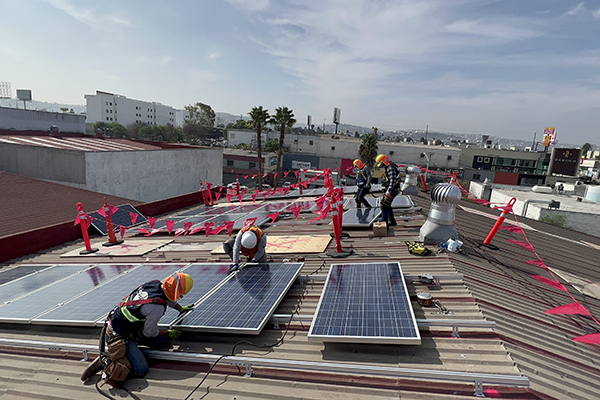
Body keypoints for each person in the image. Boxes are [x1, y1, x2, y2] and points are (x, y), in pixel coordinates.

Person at [81, 272, 194, 382]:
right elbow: (149, 333)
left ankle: (132, 351)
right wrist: (167, 332)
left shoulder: (155, 284)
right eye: (181, 295)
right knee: (140, 369)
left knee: (162, 341)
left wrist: (181, 308)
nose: (180, 297)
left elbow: (167, 297)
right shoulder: (156, 308)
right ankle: (108, 360)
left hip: (131, 328)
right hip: (118, 335)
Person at [376, 154, 400, 227]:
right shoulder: (391, 165)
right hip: (393, 189)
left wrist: (389, 191)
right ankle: (392, 221)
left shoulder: (390, 168)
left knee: (384, 206)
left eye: (381, 163)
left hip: (392, 190)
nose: (381, 165)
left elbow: (393, 180)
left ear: (384, 162)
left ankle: (384, 225)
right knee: (388, 205)